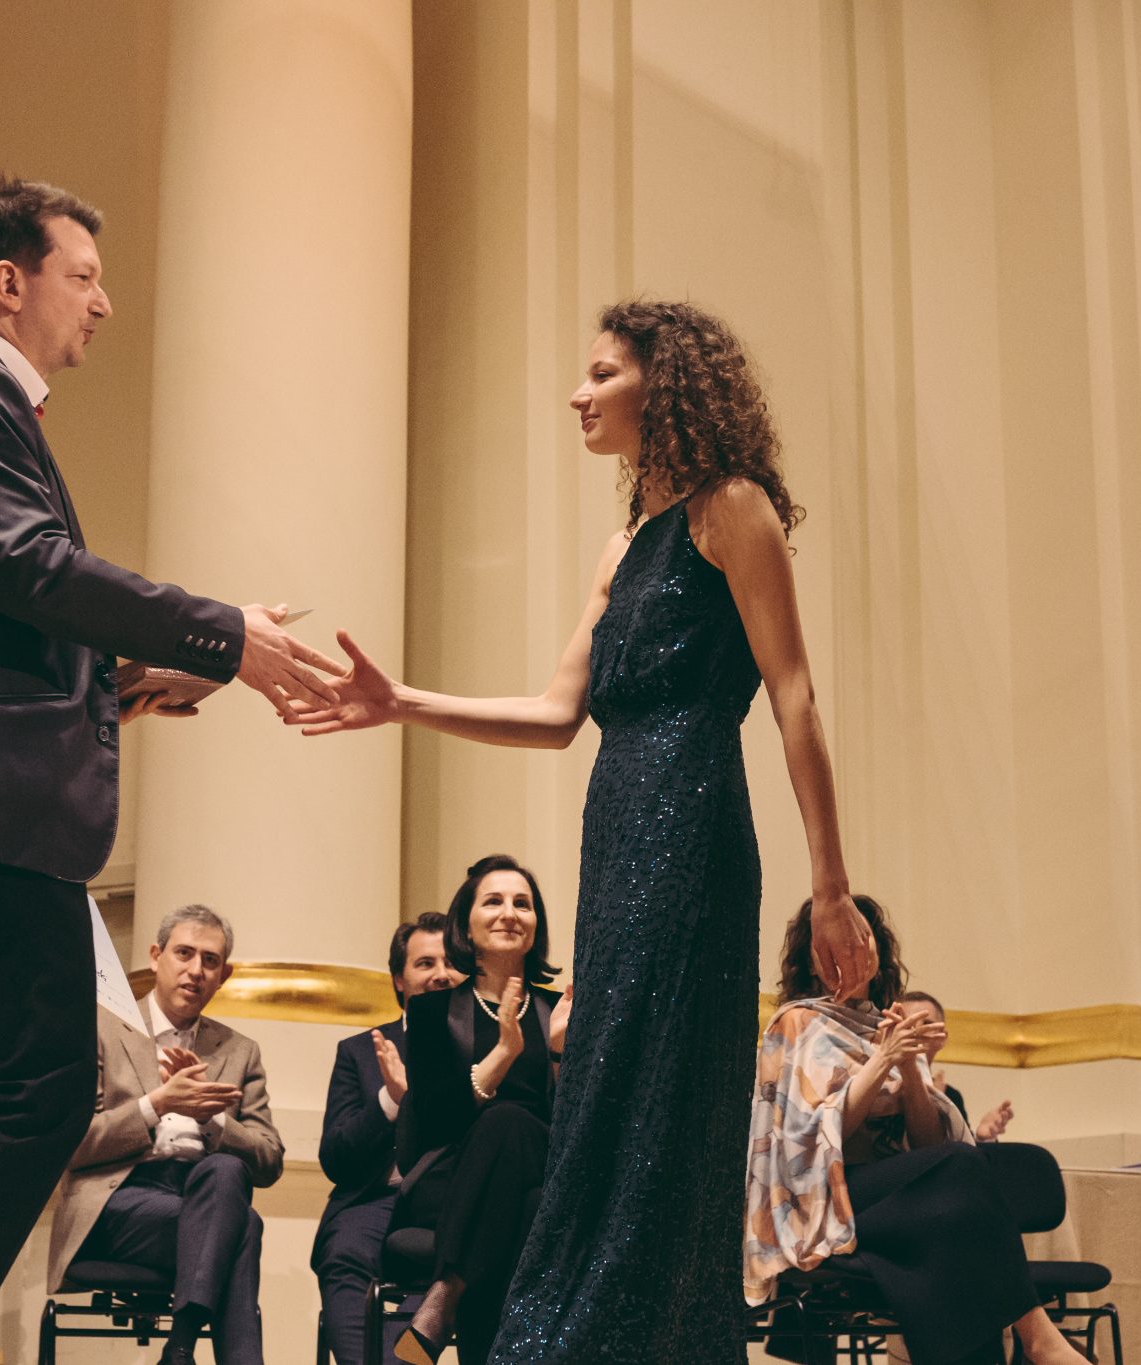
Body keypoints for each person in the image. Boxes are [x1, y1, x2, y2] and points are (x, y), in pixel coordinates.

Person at [0, 176, 337, 1363]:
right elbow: (30, 569)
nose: (102, 302)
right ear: (11, 281)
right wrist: (221, 633)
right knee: (40, 1096)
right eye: (82, 277)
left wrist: (124, 684)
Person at [292, 301, 872, 1361]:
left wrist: (830, 888)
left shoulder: (730, 509)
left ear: (666, 385)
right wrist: (401, 702)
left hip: (692, 834)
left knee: (661, 1096)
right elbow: (558, 714)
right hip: (614, 839)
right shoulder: (626, 545)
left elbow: (794, 696)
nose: (578, 393)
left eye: (602, 373)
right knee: (607, 1092)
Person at [746, 896, 1090, 1365]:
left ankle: (1019, 1347)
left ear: (878, 952)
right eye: (837, 942)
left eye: (862, 939)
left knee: (955, 1233)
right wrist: (884, 1059)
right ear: (813, 957)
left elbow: (927, 1145)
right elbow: (817, 1140)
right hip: (827, 1197)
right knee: (959, 1177)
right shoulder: (798, 1022)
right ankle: (1040, 1340)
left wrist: (909, 1067)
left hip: (891, 1197)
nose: (852, 950)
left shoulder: (886, 1022)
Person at [47, 905, 282, 1365]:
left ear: (224, 976)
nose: (196, 970)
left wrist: (212, 1120)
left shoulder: (240, 1051)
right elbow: (71, 1145)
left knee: (226, 1171)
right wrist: (159, 1104)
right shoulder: (101, 1027)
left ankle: (179, 1350)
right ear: (156, 956)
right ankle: (185, 1347)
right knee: (244, 1226)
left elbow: (269, 1161)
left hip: (205, 1193)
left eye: (210, 960)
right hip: (117, 1201)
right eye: (184, 953)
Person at [387, 856, 566, 1365]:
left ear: (536, 925)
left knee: (515, 1137)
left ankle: (445, 1295)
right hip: (451, 1175)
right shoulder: (432, 1011)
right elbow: (434, 1119)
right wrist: (503, 1052)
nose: (509, 913)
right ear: (466, 926)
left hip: (541, 1169)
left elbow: (577, 1129)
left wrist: (558, 1053)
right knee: (521, 1207)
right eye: (494, 901)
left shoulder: (563, 1009)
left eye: (522, 904)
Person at [314, 911, 463, 1365]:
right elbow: (336, 1159)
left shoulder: (485, 1046)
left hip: (452, 1206)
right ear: (399, 979)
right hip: (374, 1199)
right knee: (343, 1252)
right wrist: (391, 1101)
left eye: (450, 962)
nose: (440, 974)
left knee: (450, 1271)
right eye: (425, 963)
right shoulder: (359, 1051)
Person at [896, 989, 1012, 1142]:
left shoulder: (951, 1095)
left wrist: (982, 1137)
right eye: (907, 1024)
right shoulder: (887, 1085)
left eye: (927, 1024)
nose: (917, 1030)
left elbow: (963, 1151)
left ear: (942, 1038)